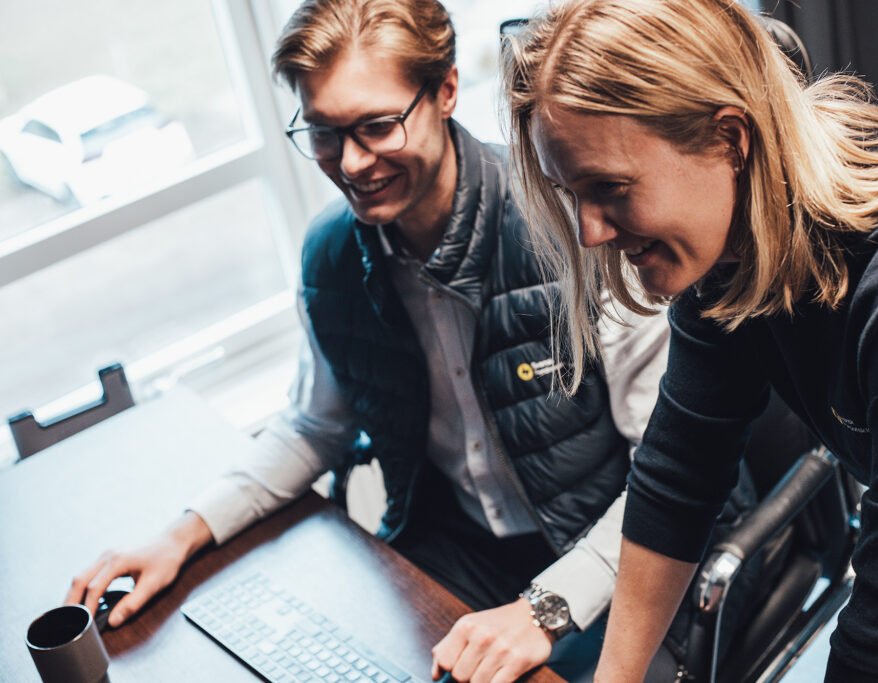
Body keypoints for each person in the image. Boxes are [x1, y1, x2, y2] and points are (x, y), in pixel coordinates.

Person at [65, 1, 679, 681]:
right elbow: (313, 426)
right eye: (324, 133)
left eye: (377, 126)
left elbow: (671, 475)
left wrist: (545, 607)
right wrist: (179, 535)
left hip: (612, 557)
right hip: (455, 545)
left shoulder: (579, 231)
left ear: (446, 90)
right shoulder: (331, 257)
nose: (351, 163)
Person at [503, 0, 878, 681]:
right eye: (570, 192)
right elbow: (679, 476)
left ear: (730, 138)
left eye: (610, 189)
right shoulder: (732, 236)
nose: (589, 232)